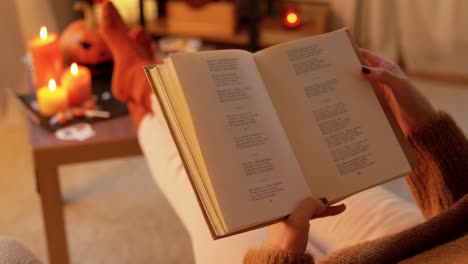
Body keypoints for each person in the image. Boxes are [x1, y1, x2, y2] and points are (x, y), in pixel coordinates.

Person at [99, 2, 468, 263]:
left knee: (208, 186)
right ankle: (138, 81)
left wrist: (281, 254)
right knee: (324, 182)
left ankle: (138, 80)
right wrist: (427, 128)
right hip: (431, 240)